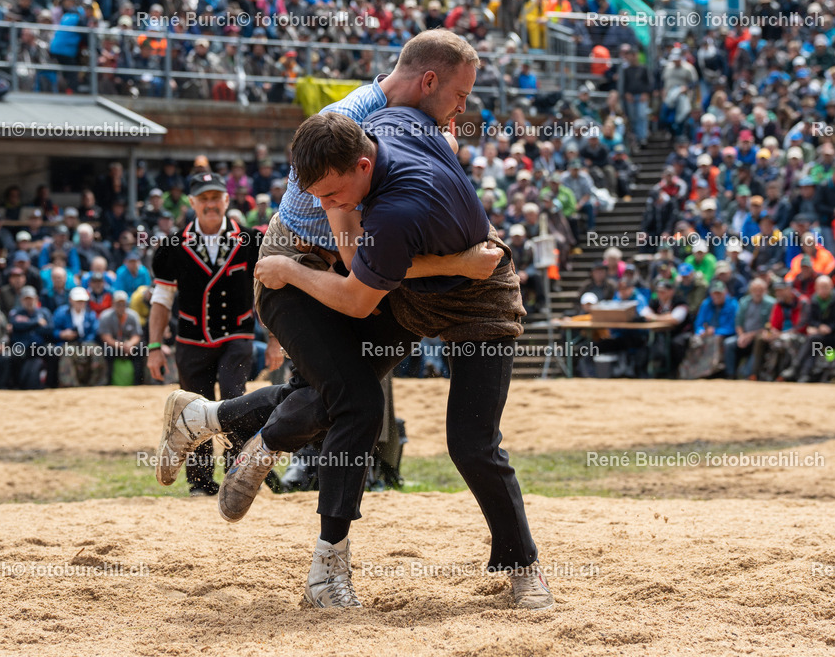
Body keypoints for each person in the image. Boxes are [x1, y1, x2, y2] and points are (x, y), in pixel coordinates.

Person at [252, 108, 553, 609]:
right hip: (414, 301)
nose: (328, 207)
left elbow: (355, 295)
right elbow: (438, 127)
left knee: (472, 445)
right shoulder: (391, 123)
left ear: (363, 166)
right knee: (347, 396)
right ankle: (233, 427)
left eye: (331, 194)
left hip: (478, 307)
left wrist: (288, 268)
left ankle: (525, 567)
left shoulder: (394, 215)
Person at [145, 172, 268, 495]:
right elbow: (161, 300)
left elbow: (267, 295)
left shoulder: (252, 241)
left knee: (233, 396)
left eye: (216, 197)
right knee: (192, 408)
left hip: (237, 337)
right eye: (204, 198)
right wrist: (154, 346)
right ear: (192, 203)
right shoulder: (172, 246)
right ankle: (200, 483)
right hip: (191, 341)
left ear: (227, 200)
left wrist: (275, 341)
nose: (211, 204)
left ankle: (236, 477)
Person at [52, 286, 105, 387]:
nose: (80, 303)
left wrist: (87, 343)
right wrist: (62, 334)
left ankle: (96, 383)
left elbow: (94, 332)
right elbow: (53, 331)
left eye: (82, 301)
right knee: (67, 352)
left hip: (86, 343)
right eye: (78, 300)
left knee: (97, 351)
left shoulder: (90, 315)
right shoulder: (61, 313)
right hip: (67, 344)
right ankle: (70, 384)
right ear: (71, 300)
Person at [8, 286, 52, 389]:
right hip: (22, 345)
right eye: (26, 299)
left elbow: (49, 329)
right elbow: (15, 326)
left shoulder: (44, 312)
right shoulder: (16, 312)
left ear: (36, 299)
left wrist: (26, 325)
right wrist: (36, 323)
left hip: (40, 345)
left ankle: (50, 383)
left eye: (31, 299)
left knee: (53, 352)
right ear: (21, 300)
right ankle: (16, 384)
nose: (29, 302)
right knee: (15, 355)